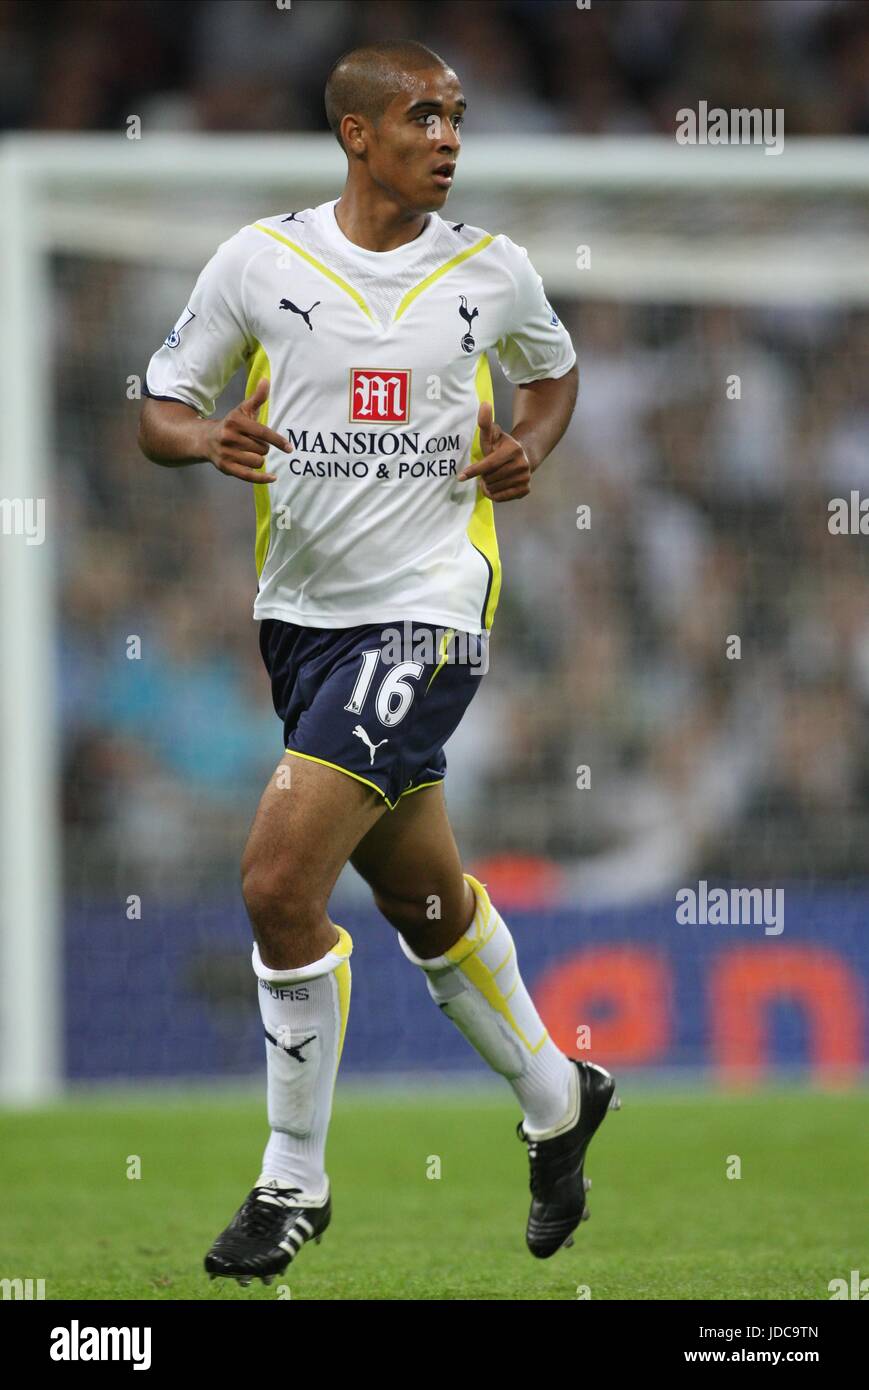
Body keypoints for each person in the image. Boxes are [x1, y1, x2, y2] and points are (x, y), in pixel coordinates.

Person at [138, 39, 617, 1286]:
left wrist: (525, 448)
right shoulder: (260, 262)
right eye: (423, 116)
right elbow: (159, 407)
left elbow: (552, 378)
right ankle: (557, 1094)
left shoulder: (491, 272)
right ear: (357, 134)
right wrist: (208, 443)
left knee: (275, 883)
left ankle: (291, 1181)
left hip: (428, 615)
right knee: (424, 904)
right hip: (301, 625)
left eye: (457, 117)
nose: (449, 137)